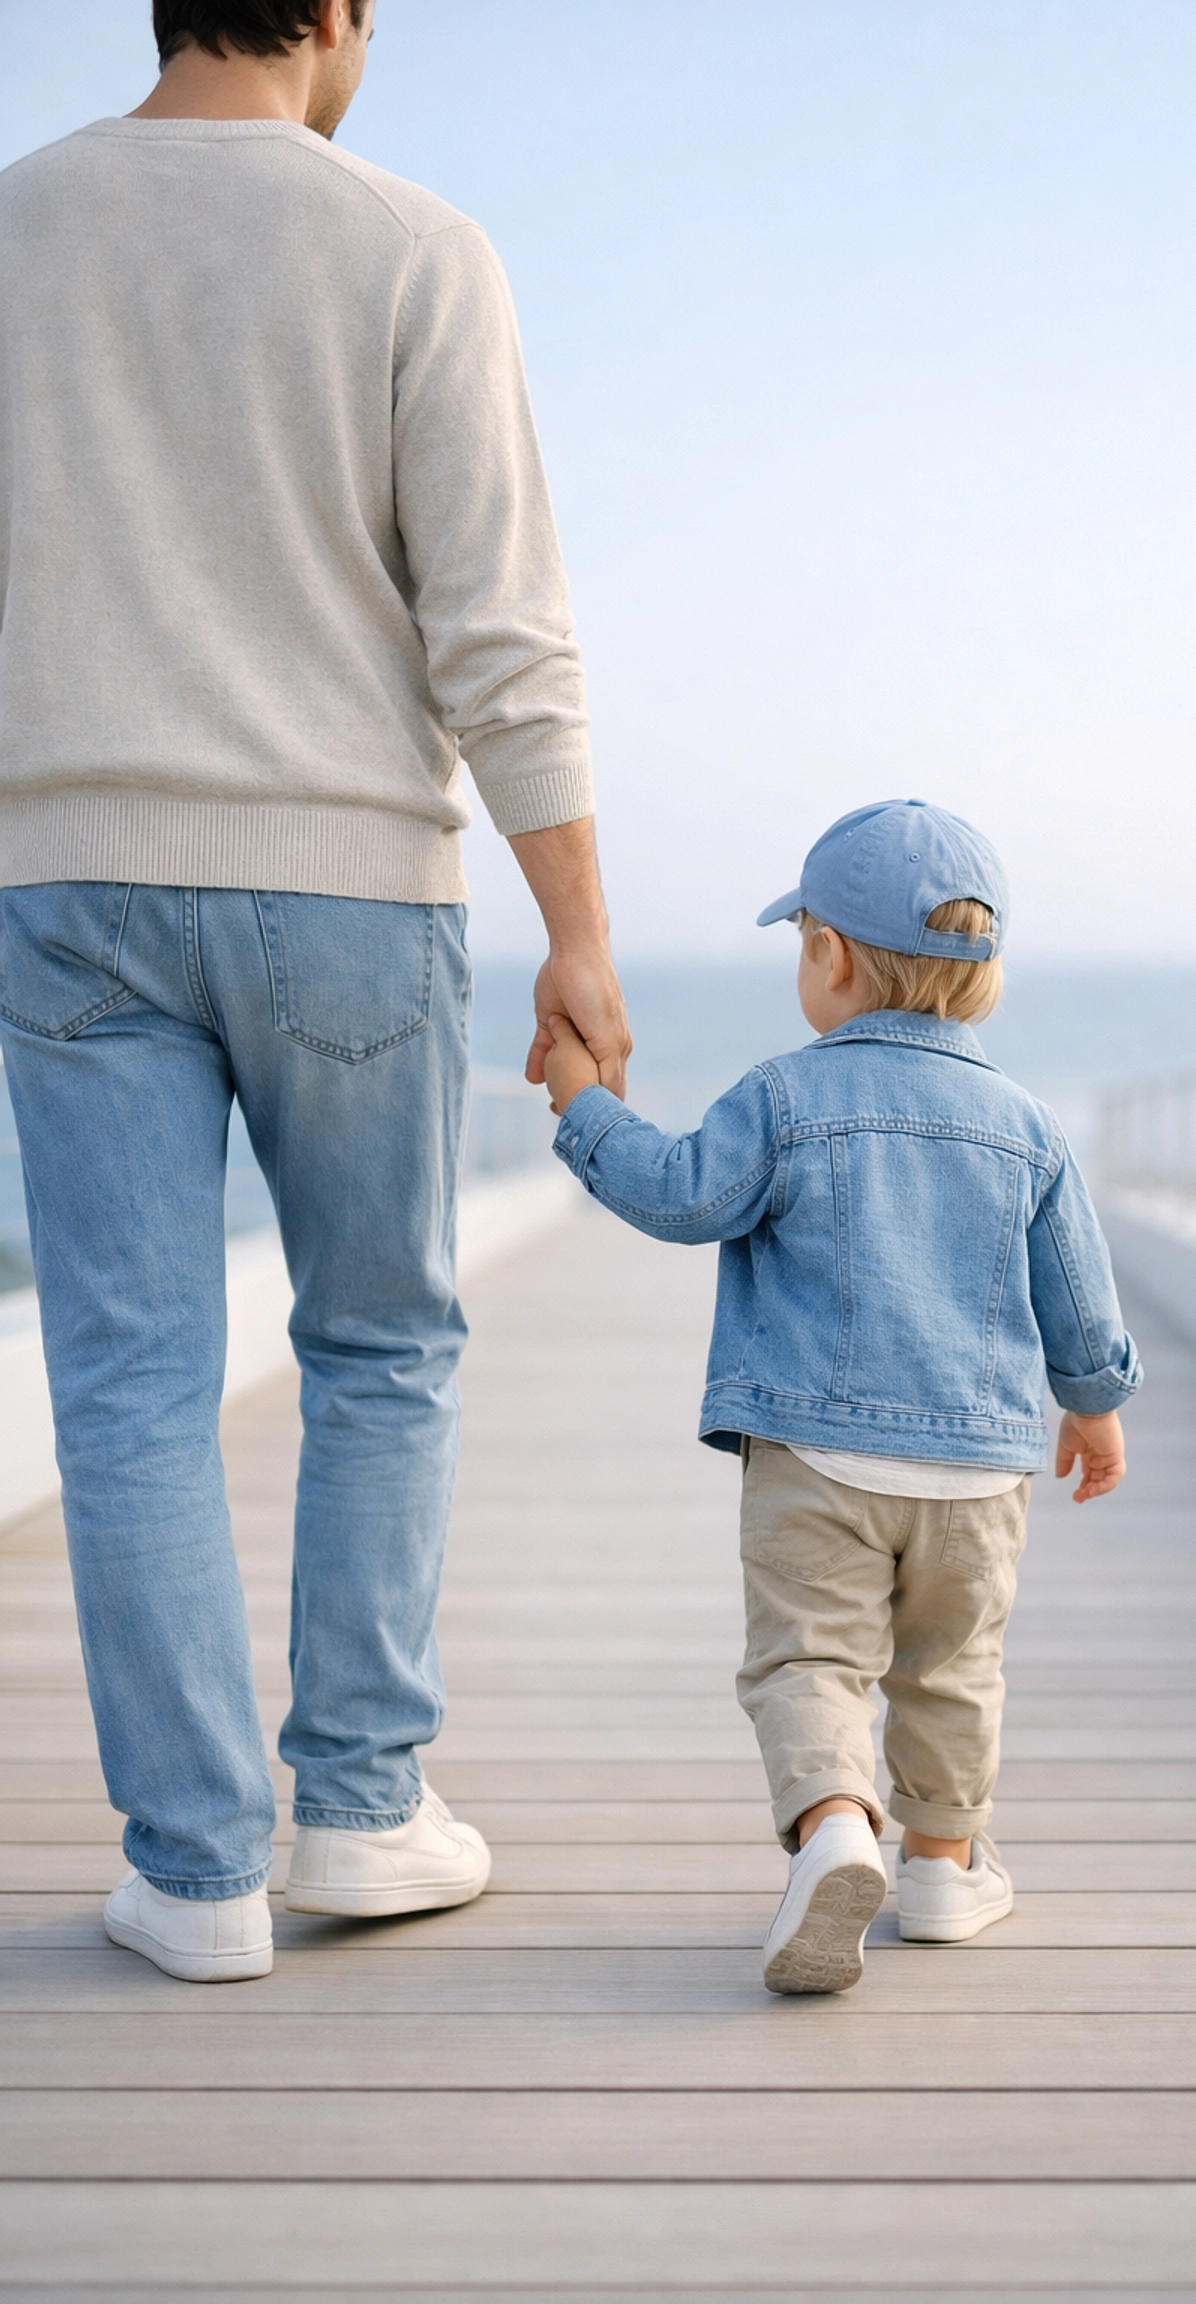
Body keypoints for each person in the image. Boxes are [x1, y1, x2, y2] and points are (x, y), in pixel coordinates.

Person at [0, 0, 629, 1983]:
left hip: (69, 878)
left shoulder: (16, 228)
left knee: (128, 1386)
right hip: (352, 883)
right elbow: (500, 635)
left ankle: (191, 1875)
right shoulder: (416, 247)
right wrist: (583, 935)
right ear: (339, 10)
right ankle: (360, 1813)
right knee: (379, 1347)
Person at [543, 799, 1140, 1993]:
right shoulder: (1030, 1128)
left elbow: (680, 1197)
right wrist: (1093, 1402)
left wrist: (584, 1110)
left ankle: (832, 1833)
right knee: (952, 1667)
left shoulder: (783, 1098)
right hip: (976, 1473)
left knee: (812, 1663)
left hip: (817, 1458)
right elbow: (1075, 1286)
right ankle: (941, 1868)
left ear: (832, 958)